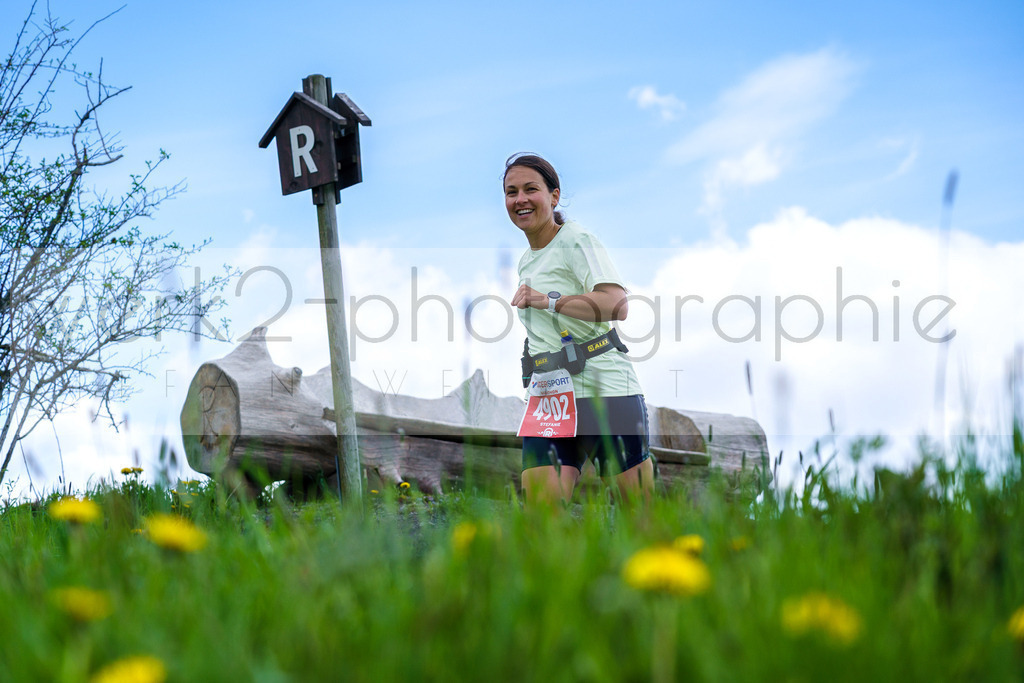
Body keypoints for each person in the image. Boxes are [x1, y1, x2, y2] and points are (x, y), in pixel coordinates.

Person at [505, 153, 655, 508]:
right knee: (540, 520)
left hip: (604, 390)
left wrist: (548, 300)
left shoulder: (576, 239)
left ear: (554, 196)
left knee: (641, 517)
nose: (520, 199)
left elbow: (617, 304)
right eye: (512, 192)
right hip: (550, 397)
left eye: (531, 189)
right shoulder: (527, 260)